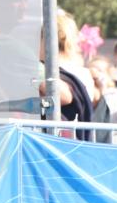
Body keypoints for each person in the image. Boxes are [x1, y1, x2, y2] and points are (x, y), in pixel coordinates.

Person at [39, 9, 95, 141]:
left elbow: (59, 100)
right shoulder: (84, 73)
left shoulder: (42, 70)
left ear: (45, 39)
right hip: (77, 143)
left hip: (53, 143)